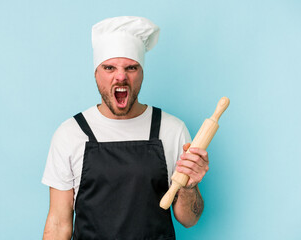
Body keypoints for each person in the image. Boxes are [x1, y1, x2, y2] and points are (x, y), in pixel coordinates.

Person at [42, 16, 209, 240]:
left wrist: (189, 188)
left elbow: (189, 220)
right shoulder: (70, 133)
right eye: (109, 67)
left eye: (131, 67)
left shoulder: (172, 129)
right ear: (96, 73)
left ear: (141, 73)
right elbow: (58, 224)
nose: (121, 76)